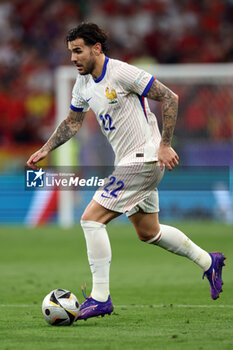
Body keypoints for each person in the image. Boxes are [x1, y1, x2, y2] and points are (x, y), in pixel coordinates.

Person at [27, 23, 226, 321]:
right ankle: (208, 261)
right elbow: (72, 122)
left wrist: (164, 145)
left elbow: (170, 97)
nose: (73, 58)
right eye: (70, 52)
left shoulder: (121, 72)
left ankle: (100, 297)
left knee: (91, 219)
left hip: (144, 158)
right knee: (149, 232)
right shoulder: (82, 84)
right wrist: (46, 149)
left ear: (96, 48)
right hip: (128, 162)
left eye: (78, 50)